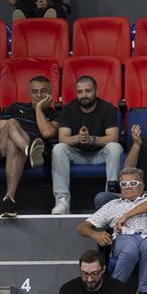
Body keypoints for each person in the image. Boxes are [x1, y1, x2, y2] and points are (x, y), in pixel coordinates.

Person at [75, 168, 147, 294]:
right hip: (125, 237)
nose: (128, 187)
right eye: (124, 184)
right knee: (130, 250)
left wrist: (126, 216)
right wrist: (96, 235)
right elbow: (82, 227)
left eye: (133, 183)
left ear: (142, 185)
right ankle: (111, 293)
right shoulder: (112, 205)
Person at [51, 76, 123, 216]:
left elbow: (113, 137)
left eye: (88, 91)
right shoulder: (68, 109)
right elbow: (62, 138)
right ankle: (62, 201)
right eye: (80, 92)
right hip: (77, 154)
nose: (84, 95)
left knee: (115, 148)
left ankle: (111, 199)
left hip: (100, 154)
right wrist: (79, 138)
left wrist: (91, 139)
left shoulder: (107, 108)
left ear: (96, 92)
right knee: (58, 149)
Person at [0, 74, 58, 218]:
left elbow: (47, 133)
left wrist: (39, 108)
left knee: (13, 144)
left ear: (50, 93)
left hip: (24, 154)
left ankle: (9, 199)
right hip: (5, 150)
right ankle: (28, 149)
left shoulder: (55, 114)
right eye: (34, 92)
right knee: (12, 123)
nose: (38, 95)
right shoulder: (16, 107)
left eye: (43, 91)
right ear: (29, 93)